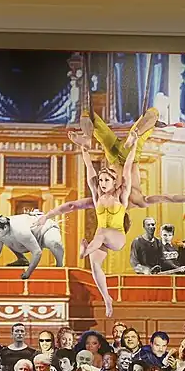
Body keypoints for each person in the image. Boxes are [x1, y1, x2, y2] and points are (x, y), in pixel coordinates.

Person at [36, 126, 141, 317]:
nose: (102, 183)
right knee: (95, 265)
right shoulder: (97, 196)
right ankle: (107, 299)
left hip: (116, 237)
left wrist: (134, 144)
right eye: (100, 181)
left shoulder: (121, 195)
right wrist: (83, 147)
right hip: (100, 238)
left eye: (106, 180)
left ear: (114, 181)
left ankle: (85, 251)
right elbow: (89, 168)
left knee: (101, 233)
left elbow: (127, 167)